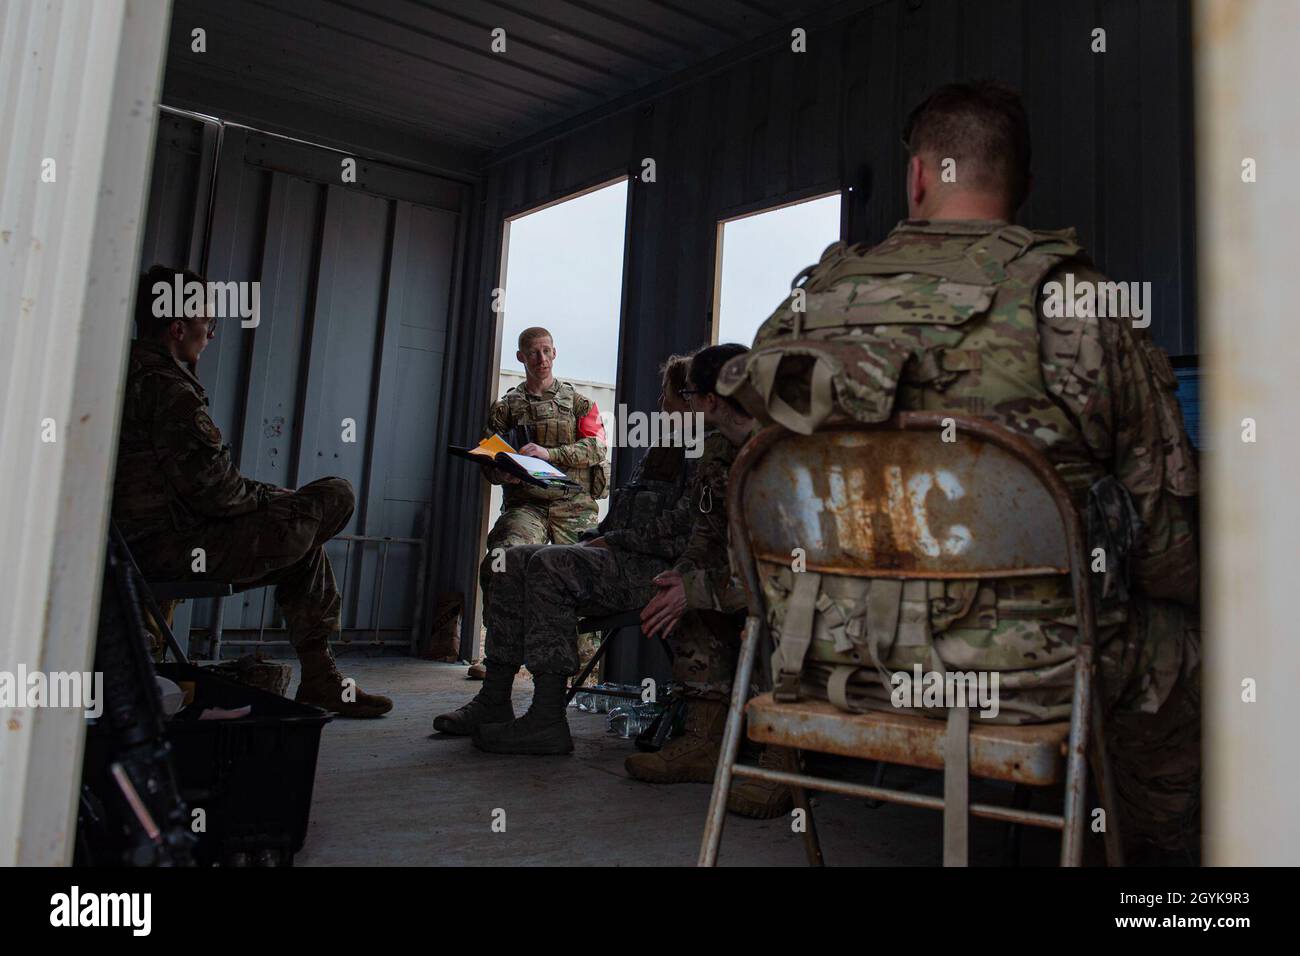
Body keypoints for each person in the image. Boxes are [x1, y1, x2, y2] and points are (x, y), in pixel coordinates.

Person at [725, 81, 1200, 859]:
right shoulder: (1078, 303)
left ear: (917, 177)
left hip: (819, 664)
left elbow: (741, 496)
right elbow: (1167, 546)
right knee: (1191, 650)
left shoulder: (804, 309)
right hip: (1032, 676)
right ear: (1021, 185)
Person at [113, 265, 391, 717]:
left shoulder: (123, 374)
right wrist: (275, 498)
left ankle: (321, 678)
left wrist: (269, 499)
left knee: (303, 536)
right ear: (178, 326)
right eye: (207, 321)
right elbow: (217, 493)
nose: (212, 332)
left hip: (139, 542)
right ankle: (321, 678)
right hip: (169, 548)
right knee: (334, 494)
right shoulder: (168, 390)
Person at [433, 353, 700, 741]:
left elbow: (686, 528)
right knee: (504, 562)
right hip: (615, 550)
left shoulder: (703, 453)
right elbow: (630, 510)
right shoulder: (665, 448)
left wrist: (614, 539)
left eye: (668, 395)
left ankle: (546, 717)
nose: (661, 404)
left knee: (550, 566)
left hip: (659, 572)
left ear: (692, 398)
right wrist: (600, 537)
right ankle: (494, 697)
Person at [627, 344, 798, 819]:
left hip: (804, 590)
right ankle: (703, 742)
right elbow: (707, 533)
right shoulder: (720, 448)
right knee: (686, 597)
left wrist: (699, 587)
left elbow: (791, 571)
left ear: (708, 399)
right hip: (750, 581)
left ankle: (783, 757)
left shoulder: (786, 446)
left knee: (771, 620)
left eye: (688, 394)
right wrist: (681, 577)